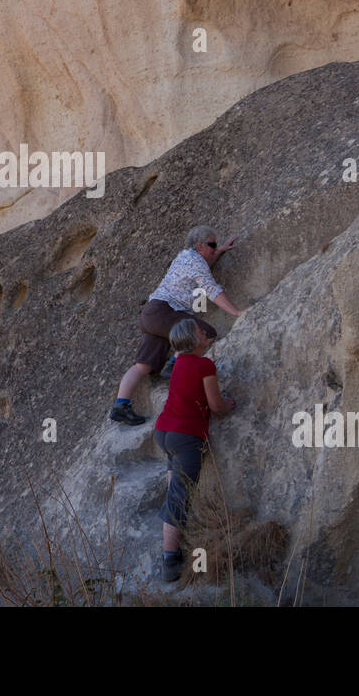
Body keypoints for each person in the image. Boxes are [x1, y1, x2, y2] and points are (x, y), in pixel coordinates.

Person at [108, 225, 243, 425]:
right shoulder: (195, 260)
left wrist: (219, 251)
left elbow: (202, 271)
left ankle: (121, 405)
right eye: (212, 245)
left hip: (151, 314)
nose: (215, 248)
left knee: (143, 365)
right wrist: (237, 313)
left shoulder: (186, 257)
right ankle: (174, 365)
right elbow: (211, 289)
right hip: (165, 311)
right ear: (199, 245)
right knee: (206, 333)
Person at [153, 318, 235, 582]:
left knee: (173, 491)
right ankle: (170, 559)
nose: (205, 332)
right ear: (193, 338)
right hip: (186, 436)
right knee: (179, 496)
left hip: (164, 432)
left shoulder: (177, 364)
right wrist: (229, 404)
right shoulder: (204, 364)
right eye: (201, 331)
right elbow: (217, 406)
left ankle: (173, 544)